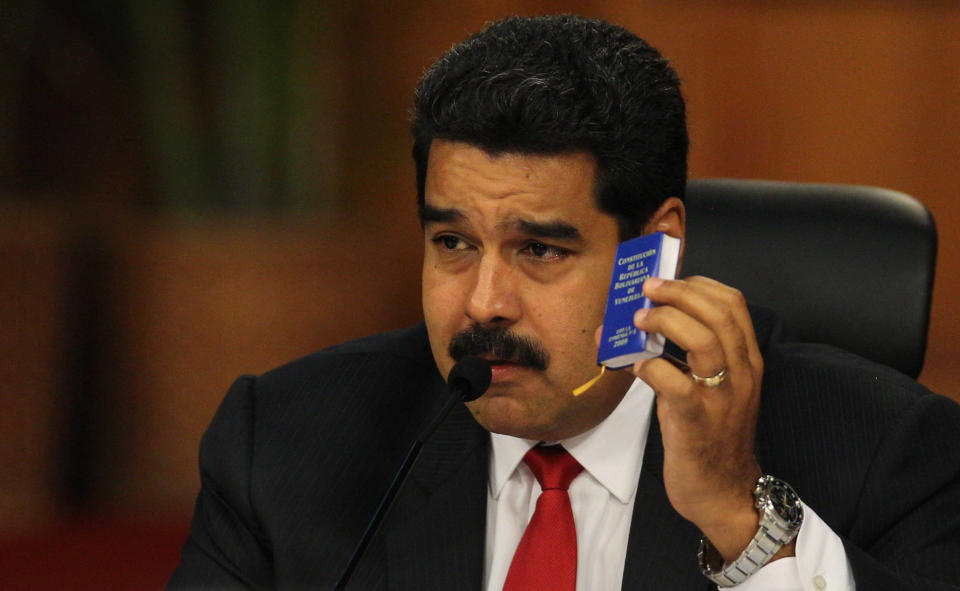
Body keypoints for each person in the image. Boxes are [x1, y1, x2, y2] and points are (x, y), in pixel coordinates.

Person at [168, 15, 960, 591]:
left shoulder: (882, 451)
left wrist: (741, 520)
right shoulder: (286, 443)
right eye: (453, 243)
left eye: (539, 250)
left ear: (655, 250)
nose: (484, 303)